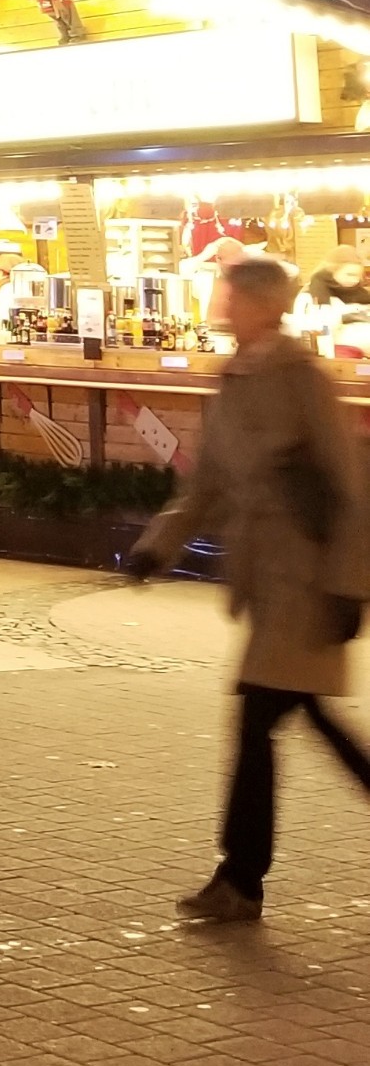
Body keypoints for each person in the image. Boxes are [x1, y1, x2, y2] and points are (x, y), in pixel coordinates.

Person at [132, 250, 370, 924]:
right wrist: (157, 546)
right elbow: (206, 482)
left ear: (267, 304)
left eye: (233, 295)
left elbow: (351, 488)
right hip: (269, 585)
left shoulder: (302, 378)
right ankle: (240, 880)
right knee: (308, 719)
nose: (222, 304)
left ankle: (241, 879)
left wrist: (349, 585)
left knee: (258, 723)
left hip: (306, 582)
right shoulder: (235, 376)